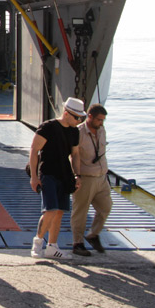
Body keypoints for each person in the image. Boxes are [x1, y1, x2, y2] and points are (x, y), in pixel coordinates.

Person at [28, 97, 85, 260]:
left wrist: (77, 175)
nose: (78, 120)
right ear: (66, 114)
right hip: (48, 173)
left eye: (81, 118)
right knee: (50, 210)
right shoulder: (48, 127)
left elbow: (75, 154)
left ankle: (52, 246)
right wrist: (33, 177)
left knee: (59, 212)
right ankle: (37, 243)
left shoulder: (75, 131)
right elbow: (34, 151)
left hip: (64, 174)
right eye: (76, 117)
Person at [71, 103, 112, 256]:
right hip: (86, 178)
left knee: (106, 207)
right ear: (89, 117)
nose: (101, 123)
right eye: (99, 120)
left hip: (102, 177)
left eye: (103, 120)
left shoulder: (102, 130)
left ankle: (93, 234)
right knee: (80, 211)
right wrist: (77, 176)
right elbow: (73, 156)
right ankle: (78, 243)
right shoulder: (78, 132)